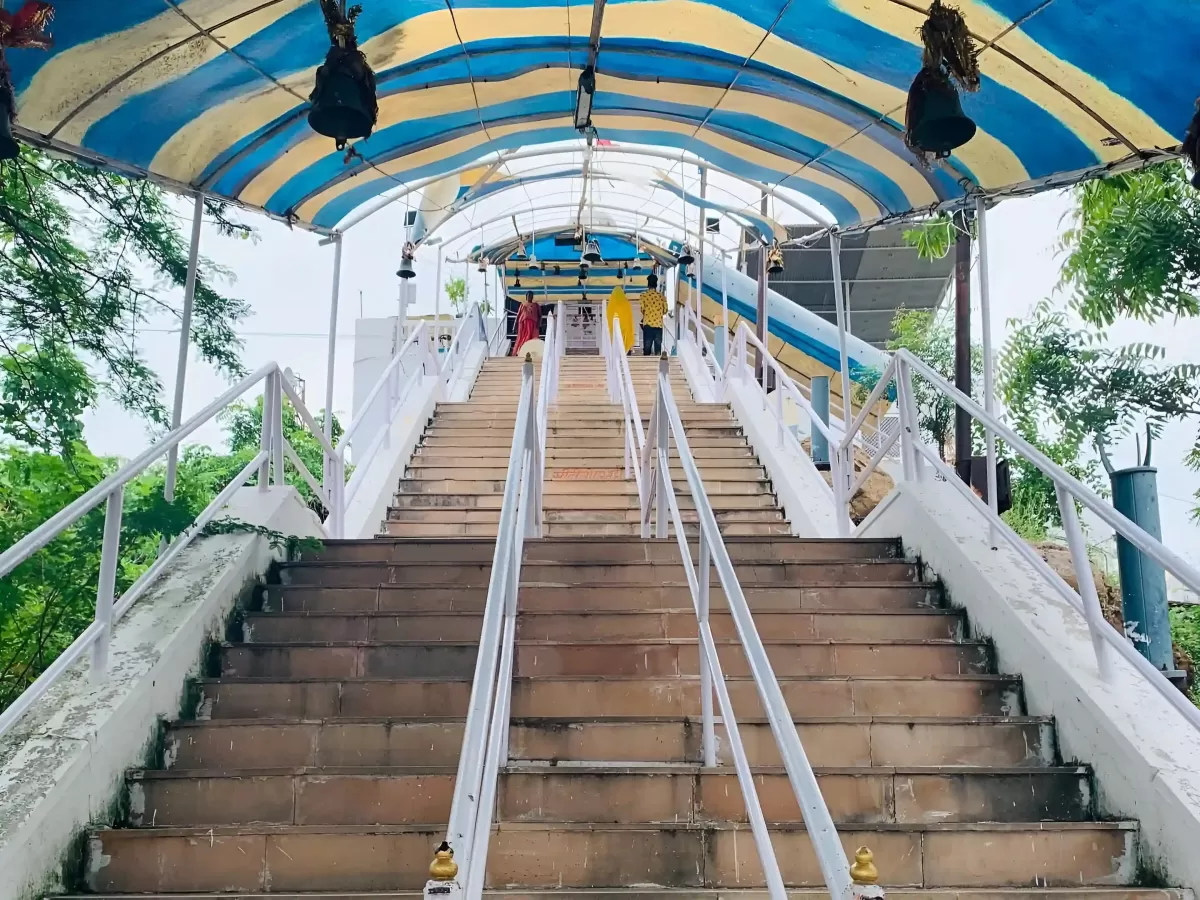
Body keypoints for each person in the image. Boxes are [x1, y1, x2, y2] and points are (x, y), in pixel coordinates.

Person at [639, 273, 667, 356]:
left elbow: (642, 309)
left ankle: (646, 367)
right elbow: (665, 310)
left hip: (648, 325)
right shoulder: (662, 297)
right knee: (658, 350)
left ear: (648, 284)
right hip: (658, 325)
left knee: (647, 349)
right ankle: (658, 367)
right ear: (656, 284)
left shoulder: (643, 296)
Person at [512, 290, 540, 355]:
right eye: (528, 296)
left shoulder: (536, 305)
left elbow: (539, 316)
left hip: (533, 324)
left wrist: (539, 324)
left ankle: (529, 351)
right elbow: (518, 315)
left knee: (531, 338)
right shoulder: (522, 304)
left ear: (532, 297)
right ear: (526, 297)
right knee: (522, 338)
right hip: (523, 323)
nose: (529, 297)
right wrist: (514, 326)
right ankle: (520, 351)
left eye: (530, 296)